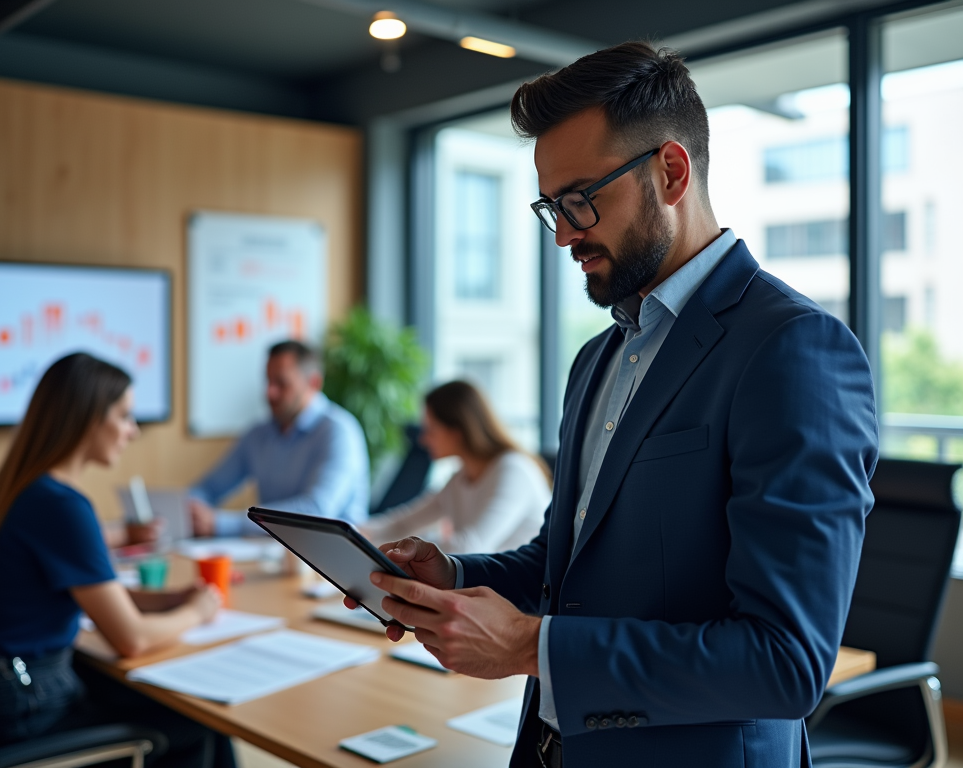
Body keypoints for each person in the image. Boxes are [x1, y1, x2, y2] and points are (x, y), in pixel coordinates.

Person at [356, 42, 879, 768]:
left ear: (671, 171)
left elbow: (784, 662)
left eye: (581, 199)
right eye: (552, 207)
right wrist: (454, 577)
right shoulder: (598, 358)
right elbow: (562, 568)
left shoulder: (792, 350)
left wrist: (525, 646)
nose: (565, 232)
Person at [0, 352, 233, 766]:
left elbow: (103, 594)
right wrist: (197, 612)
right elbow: (130, 639)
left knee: (177, 710)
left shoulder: (25, 488)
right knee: (200, 727)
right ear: (88, 419)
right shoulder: (62, 505)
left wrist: (171, 599)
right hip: (28, 707)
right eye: (124, 416)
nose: (132, 432)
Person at [188, 340, 369, 537]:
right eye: (268, 381)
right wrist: (189, 511)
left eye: (281, 383)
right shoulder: (258, 435)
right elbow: (209, 487)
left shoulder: (339, 431)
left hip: (332, 561)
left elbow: (318, 512)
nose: (269, 392)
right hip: (270, 556)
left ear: (314, 383)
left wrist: (222, 524)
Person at [361, 380, 550, 554]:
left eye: (430, 430)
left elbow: (471, 546)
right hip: (485, 585)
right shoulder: (459, 479)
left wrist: (404, 549)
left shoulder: (513, 470)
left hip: (519, 589)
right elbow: (402, 524)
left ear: (456, 431)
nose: (423, 439)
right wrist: (354, 533)